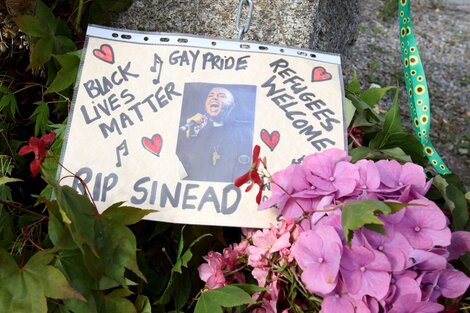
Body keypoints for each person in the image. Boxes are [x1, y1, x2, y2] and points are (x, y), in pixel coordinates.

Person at [176, 87, 254, 182]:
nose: (214, 98)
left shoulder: (245, 131)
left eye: (221, 96)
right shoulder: (198, 131)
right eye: (210, 95)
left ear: (232, 106)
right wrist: (191, 136)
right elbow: (186, 168)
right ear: (205, 105)